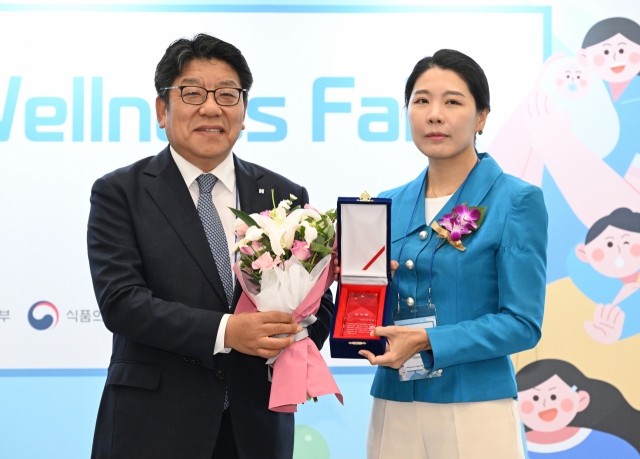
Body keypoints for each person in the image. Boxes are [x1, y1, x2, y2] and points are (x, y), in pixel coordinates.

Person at [87, 34, 333, 459]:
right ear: (162, 110)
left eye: (227, 94)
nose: (212, 107)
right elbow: (122, 302)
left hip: (256, 429)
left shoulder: (283, 194)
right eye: (193, 93)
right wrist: (227, 332)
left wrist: (293, 330)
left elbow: (317, 300)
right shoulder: (120, 192)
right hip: (153, 428)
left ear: (244, 110)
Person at [356, 49, 548, 459]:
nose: (434, 114)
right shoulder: (382, 206)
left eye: (453, 101)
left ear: (482, 117)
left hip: (475, 405)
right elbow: (367, 304)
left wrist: (428, 339)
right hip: (394, 400)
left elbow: (522, 324)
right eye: (421, 101)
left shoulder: (515, 200)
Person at [516, 359, 640, 458]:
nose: (544, 404)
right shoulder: (512, 447)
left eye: (553, 396)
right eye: (535, 399)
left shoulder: (609, 445)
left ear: (581, 399)